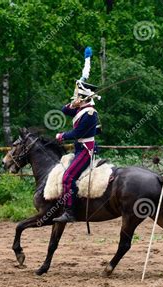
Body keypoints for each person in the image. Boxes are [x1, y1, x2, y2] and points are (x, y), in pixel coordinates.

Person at [53, 47, 100, 223]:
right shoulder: (81, 109)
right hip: (80, 148)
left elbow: (78, 133)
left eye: (78, 96)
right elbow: (64, 110)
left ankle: (70, 212)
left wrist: (62, 136)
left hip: (86, 150)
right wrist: (74, 103)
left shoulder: (89, 113)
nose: (75, 98)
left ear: (85, 98)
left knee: (68, 178)